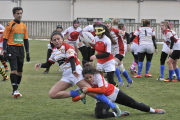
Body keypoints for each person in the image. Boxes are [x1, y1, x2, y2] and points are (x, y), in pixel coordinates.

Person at [34, 32, 122, 117]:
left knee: (90, 91)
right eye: (54, 40)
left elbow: (72, 59)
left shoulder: (67, 46)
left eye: (58, 39)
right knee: (52, 94)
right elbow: (49, 63)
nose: (57, 41)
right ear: (52, 41)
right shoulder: (54, 51)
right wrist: (40, 65)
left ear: (62, 39)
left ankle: (113, 106)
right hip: (66, 75)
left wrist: (73, 70)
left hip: (75, 71)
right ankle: (77, 92)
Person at [73, 63, 165, 119]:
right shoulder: (83, 80)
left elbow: (102, 90)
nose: (89, 79)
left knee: (134, 103)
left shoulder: (97, 75)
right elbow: (80, 91)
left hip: (113, 93)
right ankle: (117, 114)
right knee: (99, 114)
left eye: (90, 77)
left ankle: (153, 110)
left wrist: (88, 89)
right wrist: (79, 96)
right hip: (102, 99)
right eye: (86, 78)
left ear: (93, 74)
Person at [3, 7, 30, 98]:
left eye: (21, 13)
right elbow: (5, 39)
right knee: (14, 69)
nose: (19, 15)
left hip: (20, 49)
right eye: (18, 13)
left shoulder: (23, 26)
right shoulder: (9, 25)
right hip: (12, 49)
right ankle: (15, 90)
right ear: (13, 15)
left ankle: (16, 89)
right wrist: (4, 51)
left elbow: (26, 40)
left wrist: (28, 52)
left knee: (20, 71)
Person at [106, 18, 132, 87]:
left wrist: (128, 45)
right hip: (112, 52)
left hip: (120, 51)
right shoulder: (105, 33)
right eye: (106, 23)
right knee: (121, 68)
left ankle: (120, 81)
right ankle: (129, 80)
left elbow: (127, 34)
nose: (107, 24)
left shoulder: (116, 31)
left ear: (111, 24)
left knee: (113, 64)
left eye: (108, 23)